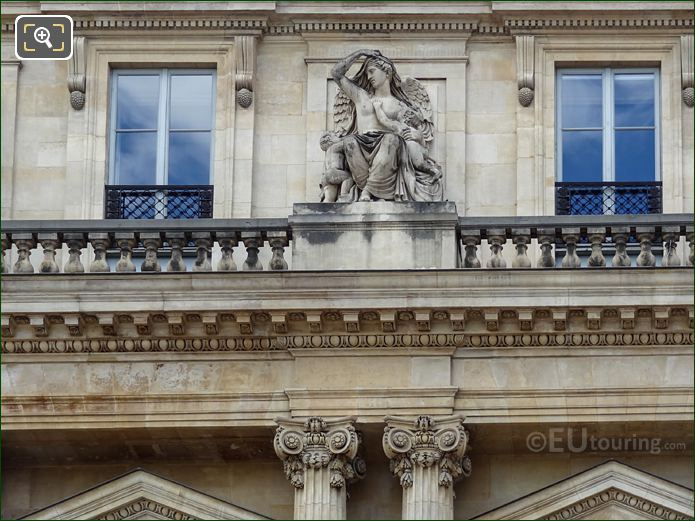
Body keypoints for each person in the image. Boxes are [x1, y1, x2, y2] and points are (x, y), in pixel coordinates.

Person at [330, 49, 443, 202]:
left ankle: (368, 192)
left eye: (372, 71)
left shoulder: (399, 106)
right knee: (349, 142)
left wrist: (419, 136)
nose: (369, 77)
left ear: (387, 72)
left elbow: (406, 135)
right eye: (367, 73)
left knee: (392, 140)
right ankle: (367, 188)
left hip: (387, 150)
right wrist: (360, 53)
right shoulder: (361, 97)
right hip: (362, 145)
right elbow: (336, 74)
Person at [372, 99, 442, 181]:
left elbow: (383, 120)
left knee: (419, 164)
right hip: (421, 150)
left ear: (404, 118)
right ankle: (433, 170)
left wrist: (377, 107)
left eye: (400, 112)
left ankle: (434, 171)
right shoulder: (416, 130)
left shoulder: (399, 126)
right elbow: (425, 148)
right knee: (420, 163)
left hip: (413, 149)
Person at [318, 131, 355, 203]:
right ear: (329, 138)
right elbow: (346, 142)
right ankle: (344, 196)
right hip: (334, 173)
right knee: (349, 177)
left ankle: (325, 212)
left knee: (329, 200)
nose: (339, 135)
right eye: (335, 135)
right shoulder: (335, 146)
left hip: (325, 177)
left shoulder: (328, 152)